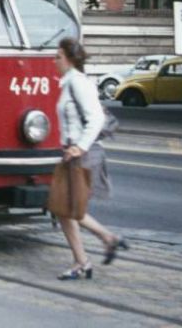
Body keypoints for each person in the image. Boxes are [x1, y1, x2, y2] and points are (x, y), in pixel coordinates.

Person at [53, 37, 128, 281]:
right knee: (63, 209)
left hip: (83, 153)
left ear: (68, 59)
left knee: (71, 209)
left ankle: (107, 239)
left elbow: (96, 118)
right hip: (72, 152)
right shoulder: (68, 83)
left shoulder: (78, 83)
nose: (54, 60)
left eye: (58, 56)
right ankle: (82, 261)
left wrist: (80, 147)